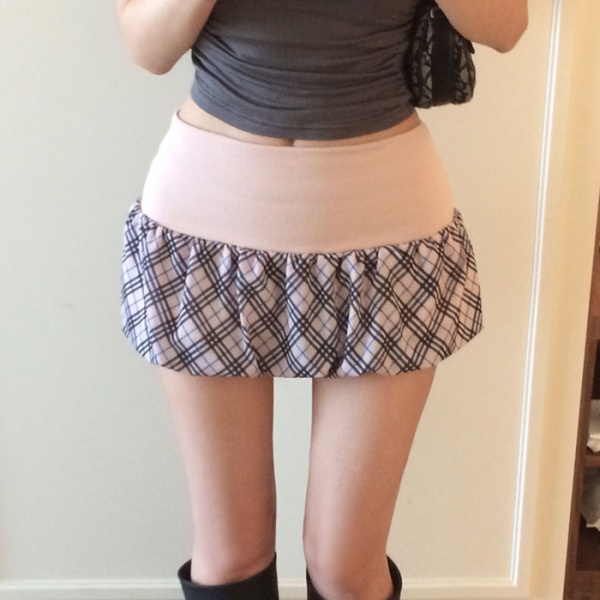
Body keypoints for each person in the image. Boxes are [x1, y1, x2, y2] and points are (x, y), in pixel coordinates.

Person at [116, 1, 528, 599]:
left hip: (387, 226)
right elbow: (146, 47)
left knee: (345, 566)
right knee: (231, 554)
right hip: (208, 219)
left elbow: (506, 27)